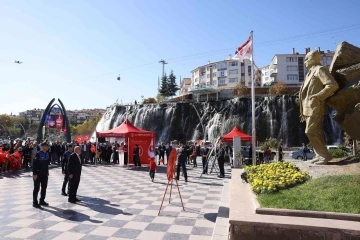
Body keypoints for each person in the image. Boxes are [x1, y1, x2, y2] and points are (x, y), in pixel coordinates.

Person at [300, 50, 339, 165]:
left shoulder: (320, 69)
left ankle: (325, 155)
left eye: (307, 59)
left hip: (315, 106)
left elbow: (332, 85)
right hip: (307, 108)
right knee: (316, 132)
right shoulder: (309, 73)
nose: (305, 62)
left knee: (310, 131)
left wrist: (318, 97)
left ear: (313, 59)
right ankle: (320, 155)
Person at [32, 142, 50, 208]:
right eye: (45, 146)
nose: (47, 147)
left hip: (44, 174)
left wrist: (47, 171)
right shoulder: (38, 154)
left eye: (47, 146)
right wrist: (34, 174)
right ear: (42, 147)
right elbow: (34, 164)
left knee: (44, 187)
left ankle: (42, 200)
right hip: (38, 173)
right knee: (36, 188)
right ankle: (35, 202)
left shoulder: (47, 154)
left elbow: (46, 164)